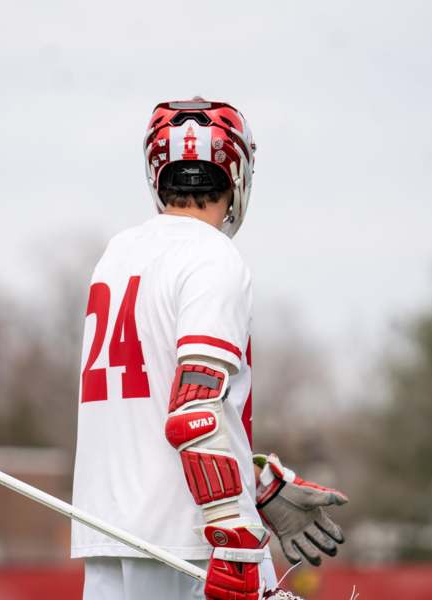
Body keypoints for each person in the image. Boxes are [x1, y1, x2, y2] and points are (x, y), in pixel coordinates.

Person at [71, 98, 347, 600]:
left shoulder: (116, 255)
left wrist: (258, 484)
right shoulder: (212, 255)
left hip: (107, 537)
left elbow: (151, 406)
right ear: (237, 173)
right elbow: (194, 409)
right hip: (193, 544)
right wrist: (233, 532)